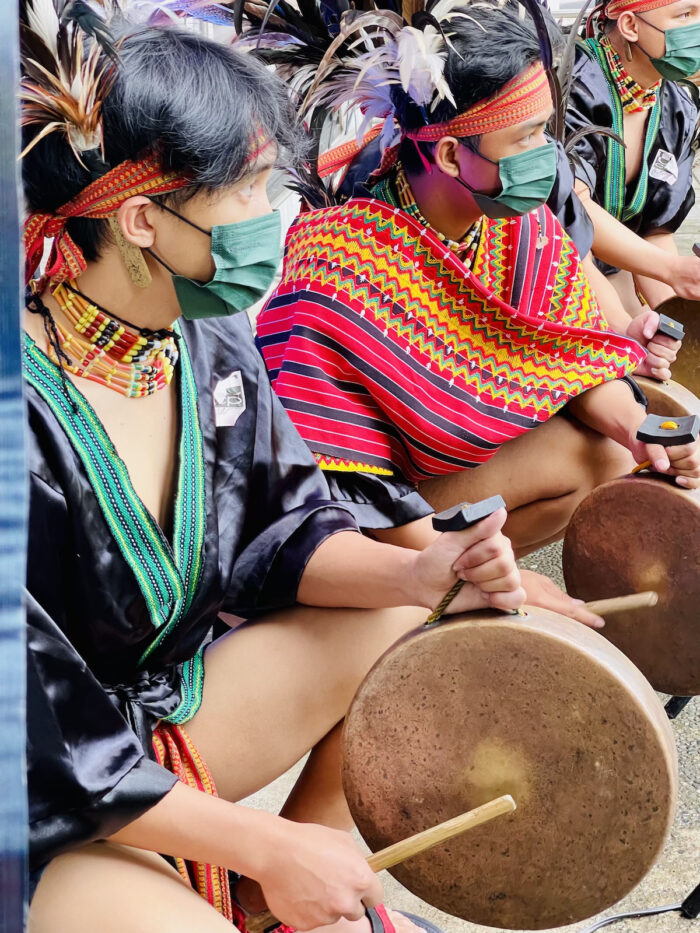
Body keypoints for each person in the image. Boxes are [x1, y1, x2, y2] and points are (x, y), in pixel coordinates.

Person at [21, 10, 530, 933]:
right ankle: (246, 874)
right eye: (252, 189)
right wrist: (258, 838)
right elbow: (34, 740)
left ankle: (267, 900)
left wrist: (423, 571)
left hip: (147, 726)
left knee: (407, 619)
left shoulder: (207, 341)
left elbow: (278, 528)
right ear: (142, 218)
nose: (276, 215)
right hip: (35, 800)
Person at [255, 1, 700, 560]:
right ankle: (431, 592)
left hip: (450, 467)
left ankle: (469, 586)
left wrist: (643, 432)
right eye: (528, 138)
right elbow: (336, 477)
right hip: (363, 506)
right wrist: (431, 571)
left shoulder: (518, 221)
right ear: (447, 154)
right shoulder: (341, 262)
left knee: (612, 453)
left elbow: (566, 357)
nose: (547, 157)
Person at [565, 0, 700, 315]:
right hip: (556, 266)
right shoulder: (569, 87)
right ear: (630, 25)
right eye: (685, 14)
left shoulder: (677, 109)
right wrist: (671, 270)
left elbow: (655, 228)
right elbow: (572, 208)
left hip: (615, 268)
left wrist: (675, 313)